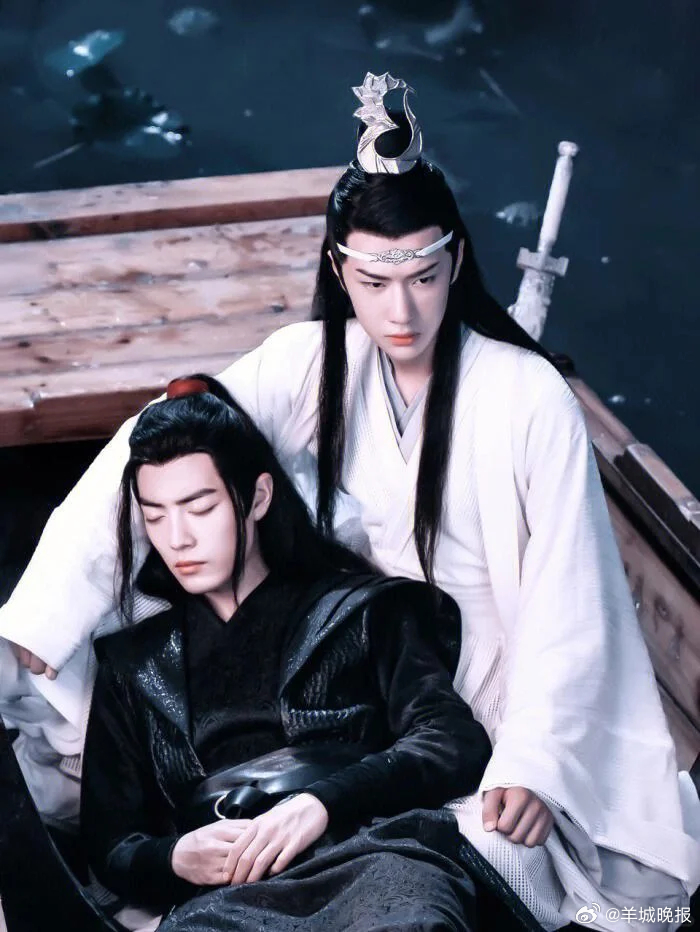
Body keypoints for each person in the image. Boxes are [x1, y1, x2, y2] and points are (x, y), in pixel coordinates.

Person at [0, 72, 698, 931]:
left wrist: (536, 756)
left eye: (423, 277)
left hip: (487, 684)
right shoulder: (310, 362)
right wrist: (48, 607)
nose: (400, 311)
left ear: (455, 262)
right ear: (339, 269)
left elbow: (570, 594)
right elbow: (166, 438)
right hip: (348, 667)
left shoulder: (529, 395)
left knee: (460, 863)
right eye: (373, 282)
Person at [80, 375, 496, 931]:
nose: (177, 538)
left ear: (258, 497)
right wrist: (175, 857)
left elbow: (451, 740)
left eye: (199, 508)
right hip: (227, 897)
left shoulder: (360, 610)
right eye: (155, 516)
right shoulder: (133, 666)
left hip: (372, 857)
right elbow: (109, 843)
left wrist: (323, 802)